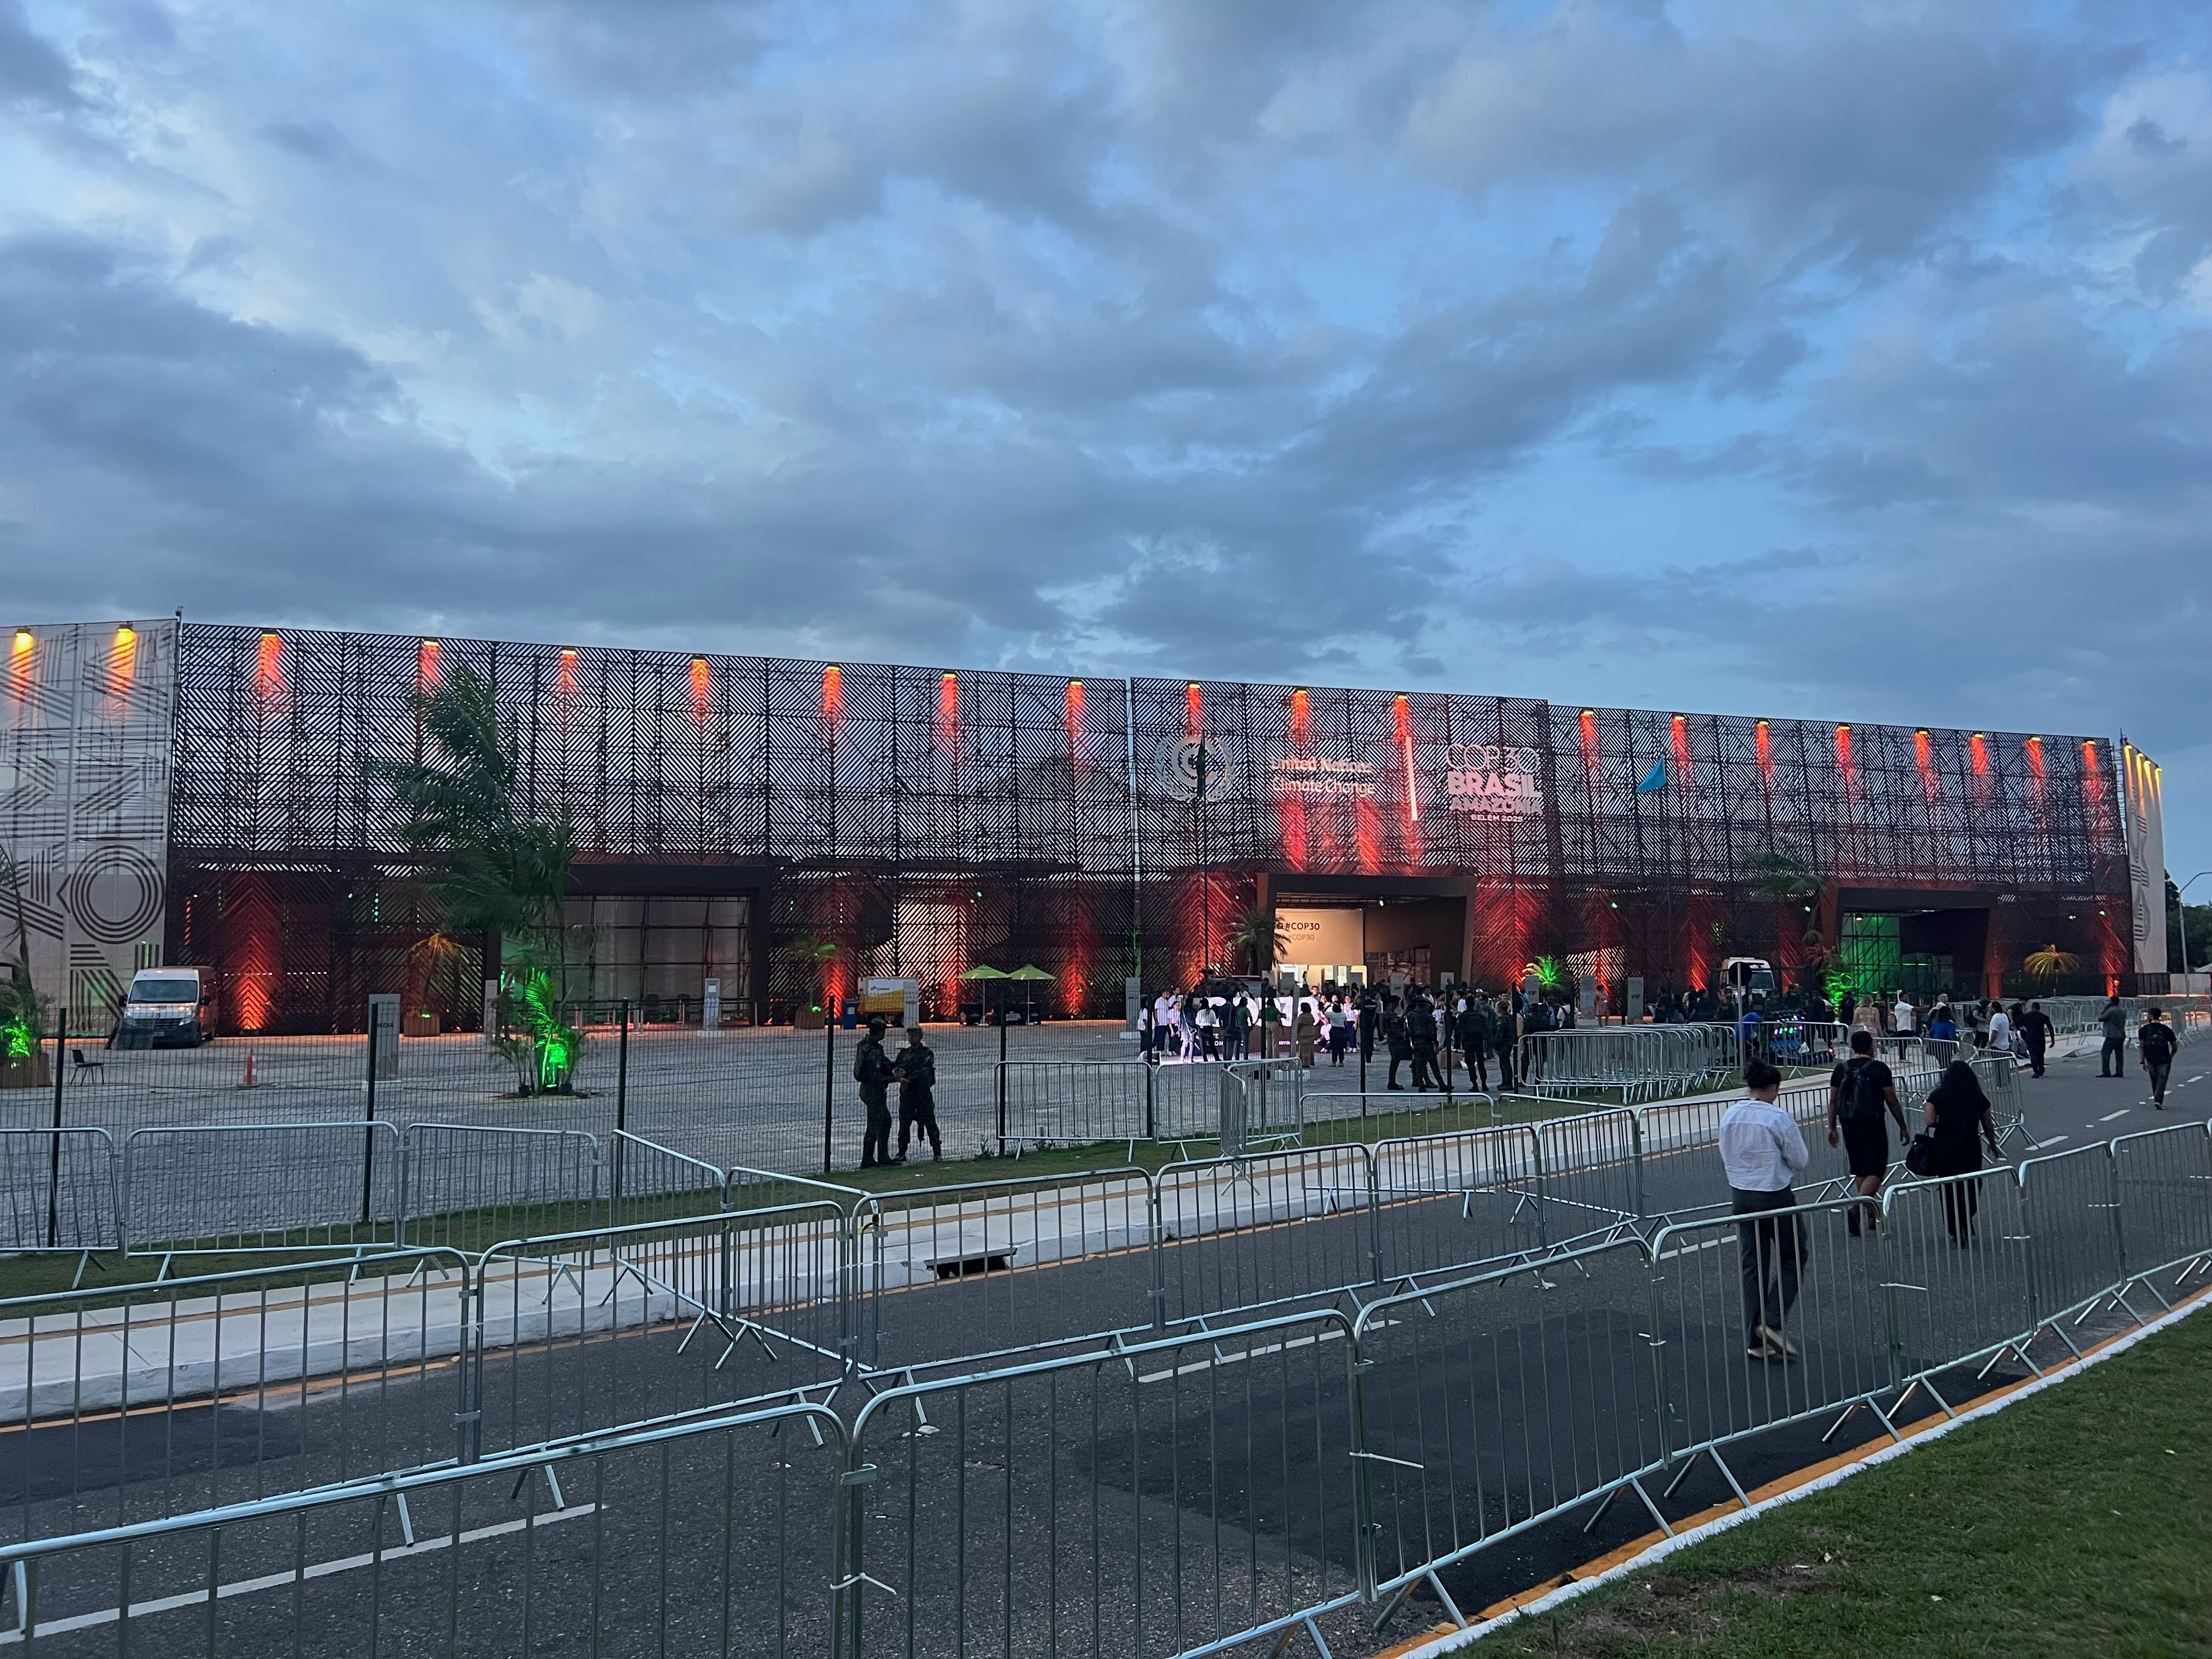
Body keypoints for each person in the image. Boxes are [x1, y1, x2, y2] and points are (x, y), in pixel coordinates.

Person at [1719, 1058, 1809, 1360]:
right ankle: (1770, 1321)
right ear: (1774, 1088)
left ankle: (1753, 1339)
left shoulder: (1731, 1114)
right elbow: (1800, 1159)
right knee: (1793, 1256)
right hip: (1774, 1193)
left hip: (1741, 1194)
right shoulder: (1777, 1117)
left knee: (1752, 1265)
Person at [1828, 1029, 1910, 1235]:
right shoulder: (1879, 1069)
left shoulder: (1841, 1069)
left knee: (1861, 1169)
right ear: (1871, 1047)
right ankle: (1856, 1206)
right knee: (1876, 1168)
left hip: (1848, 1124)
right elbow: (1891, 1099)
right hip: (1873, 1123)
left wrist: (1832, 1127)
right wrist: (1903, 1125)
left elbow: (1833, 1100)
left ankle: (1871, 1213)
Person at [1923, 1059, 2004, 1243]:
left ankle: (1954, 1225)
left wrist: (1944, 1123)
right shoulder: (1977, 1096)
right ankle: (1966, 1217)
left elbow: (1929, 1121)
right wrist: (1993, 1145)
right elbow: (1988, 1124)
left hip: (1944, 1146)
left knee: (1948, 1187)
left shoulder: (1938, 1094)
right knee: (1972, 1185)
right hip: (1970, 1146)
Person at [891, 1024, 941, 1161]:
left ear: (920, 1037)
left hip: (922, 1094)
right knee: (904, 1123)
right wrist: (900, 1076)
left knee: (930, 1122)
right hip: (908, 1094)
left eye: (915, 1035)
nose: (912, 1038)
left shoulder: (927, 1053)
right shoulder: (904, 1054)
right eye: (910, 1035)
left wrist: (907, 1078)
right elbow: (897, 1068)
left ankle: (937, 1151)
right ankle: (902, 1152)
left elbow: (924, 1071)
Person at [854, 1015, 897, 1168]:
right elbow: (876, 1077)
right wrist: (895, 1078)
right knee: (877, 1124)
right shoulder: (872, 1051)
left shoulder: (870, 1047)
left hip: (870, 1090)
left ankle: (877, 1157)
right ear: (880, 1032)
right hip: (873, 1091)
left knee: (882, 1122)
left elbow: (885, 1065)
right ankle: (873, 1159)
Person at [2138, 1007, 2180, 1109]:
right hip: (2164, 1057)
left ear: (2151, 1016)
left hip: (2150, 1058)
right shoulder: (2167, 1030)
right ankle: (2158, 1100)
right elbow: (2175, 1046)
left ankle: (2157, 1099)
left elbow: (2142, 1046)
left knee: (2154, 1079)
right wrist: (2171, 1056)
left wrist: (2142, 1061)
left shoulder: (2144, 1030)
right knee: (2162, 1078)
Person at [1408, 995, 1441, 1091]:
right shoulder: (1428, 1017)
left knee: (1420, 1065)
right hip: (1427, 1042)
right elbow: (1433, 1031)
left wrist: (1413, 1041)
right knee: (1433, 1064)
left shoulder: (1413, 1016)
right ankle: (1441, 1084)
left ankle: (1421, 1085)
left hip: (1418, 1042)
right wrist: (1436, 1043)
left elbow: (1411, 1030)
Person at [1461, 992, 1492, 1091]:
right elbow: (1486, 1028)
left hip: (1468, 1042)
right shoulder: (1479, 1015)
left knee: (1471, 1064)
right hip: (1479, 1041)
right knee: (1481, 1063)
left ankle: (1475, 1085)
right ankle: (1484, 1084)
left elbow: (1459, 1030)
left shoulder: (1464, 1016)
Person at [1492, 992, 1520, 1091]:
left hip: (1503, 1045)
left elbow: (1499, 1035)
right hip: (1508, 1043)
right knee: (1504, 1063)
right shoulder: (1510, 1019)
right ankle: (1505, 1081)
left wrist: (1496, 1046)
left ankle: (1508, 1082)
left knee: (1505, 1064)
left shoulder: (1502, 1020)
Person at [2019, 1000, 2053, 1078]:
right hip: (2040, 1037)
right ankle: (2041, 1068)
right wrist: (2052, 1039)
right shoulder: (2043, 1016)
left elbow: (2018, 1023)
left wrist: (2023, 1031)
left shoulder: (2026, 1016)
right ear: (2039, 1008)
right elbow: (2050, 1027)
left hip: (2030, 1036)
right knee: (2041, 1053)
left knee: (2033, 1054)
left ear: (2032, 1008)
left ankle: (2036, 1071)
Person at [1383, 1000, 1412, 1091]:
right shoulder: (1390, 1014)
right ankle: (1391, 1082)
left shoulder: (1388, 1013)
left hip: (1393, 1039)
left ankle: (1392, 1081)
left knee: (1395, 1061)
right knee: (1395, 1061)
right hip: (1394, 1040)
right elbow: (1395, 1026)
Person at [2098, 996, 2128, 1078]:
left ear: (2111, 1002)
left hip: (2111, 1035)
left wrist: (2105, 1009)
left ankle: (2106, 1072)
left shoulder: (2111, 1011)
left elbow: (2101, 1018)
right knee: (2119, 1055)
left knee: (2105, 1053)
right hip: (2121, 1034)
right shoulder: (2123, 1011)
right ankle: (2119, 1072)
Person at [1890, 991, 1917, 1062]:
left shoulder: (1902, 1006)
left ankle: (1903, 1057)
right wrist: (1926, 1008)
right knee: (1903, 1043)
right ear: (1901, 998)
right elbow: (1915, 1009)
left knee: (1904, 1043)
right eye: (1906, 997)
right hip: (1903, 1027)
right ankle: (1902, 1058)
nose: (1907, 998)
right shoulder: (1902, 1005)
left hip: (1904, 1027)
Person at [1327, 997, 1350, 1066]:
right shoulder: (1343, 1014)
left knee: (1334, 1046)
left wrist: (1329, 1005)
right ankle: (1341, 1062)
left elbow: (1322, 1011)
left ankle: (1334, 1062)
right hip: (1341, 1030)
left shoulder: (1332, 1014)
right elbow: (1346, 1023)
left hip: (1334, 1030)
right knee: (1341, 1046)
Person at [1295, 1001, 1318, 1069]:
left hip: (1303, 1032)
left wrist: (1297, 1034)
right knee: (1310, 1048)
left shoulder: (1301, 1016)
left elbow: (1299, 1025)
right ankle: (1310, 1062)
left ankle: (1304, 1062)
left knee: (1303, 1049)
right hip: (1311, 1032)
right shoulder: (1311, 1016)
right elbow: (1313, 1022)